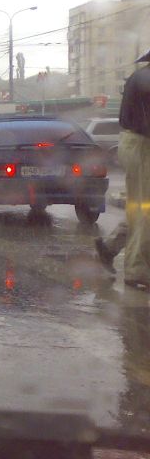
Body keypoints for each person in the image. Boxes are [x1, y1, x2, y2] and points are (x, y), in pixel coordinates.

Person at [95, 49, 150, 290]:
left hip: (137, 143)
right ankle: (137, 271)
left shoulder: (141, 77)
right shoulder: (145, 80)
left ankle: (109, 248)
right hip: (143, 145)